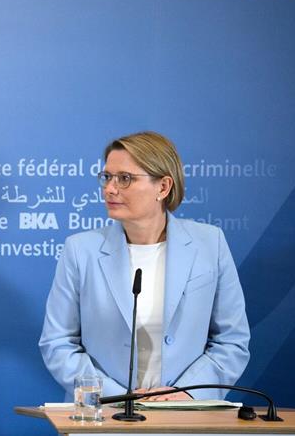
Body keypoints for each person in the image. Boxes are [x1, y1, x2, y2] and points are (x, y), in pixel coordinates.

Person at [40, 131, 250, 402]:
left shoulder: (210, 244)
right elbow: (57, 343)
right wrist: (117, 398)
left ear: (163, 187)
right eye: (107, 177)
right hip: (104, 412)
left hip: (185, 413)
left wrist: (187, 392)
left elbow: (231, 341)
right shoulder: (80, 250)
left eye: (125, 178)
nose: (110, 189)